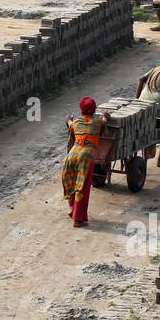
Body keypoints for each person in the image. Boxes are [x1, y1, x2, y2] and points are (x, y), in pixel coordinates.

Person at [61, 97, 111, 227]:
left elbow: (70, 123)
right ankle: (79, 219)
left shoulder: (76, 122)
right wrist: (106, 116)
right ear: (94, 110)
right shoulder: (98, 122)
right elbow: (105, 120)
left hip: (71, 156)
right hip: (85, 158)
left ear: (81, 110)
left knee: (72, 182)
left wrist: (68, 119)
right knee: (82, 187)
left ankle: (73, 209)